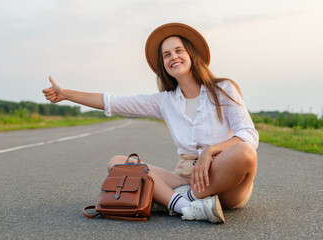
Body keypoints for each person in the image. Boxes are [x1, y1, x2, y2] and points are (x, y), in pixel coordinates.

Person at [42, 23, 258, 223]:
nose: (173, 56)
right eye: (166, 55)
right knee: (117, 162)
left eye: (178, 50)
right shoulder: (165, 101)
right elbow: (112, 102)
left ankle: (180, 198)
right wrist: (66, 94)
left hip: (224, 176)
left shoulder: (223, 89)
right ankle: (184, 205)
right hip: (184, 176)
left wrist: (210, 152)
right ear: (163, 65)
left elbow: (249, 134)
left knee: (245, 152)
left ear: (191, 54)